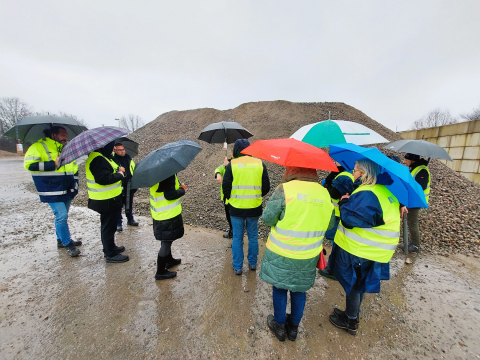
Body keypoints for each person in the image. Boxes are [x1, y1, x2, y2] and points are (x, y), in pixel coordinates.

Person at [259, 167, 335, 342]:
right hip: (308, 255)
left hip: (281, 251)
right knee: (299, 290)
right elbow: (330, 224)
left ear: (291, 171)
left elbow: (268, 219)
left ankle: (279, 327)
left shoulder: (284, 190)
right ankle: (293, 329)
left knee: (279, 288)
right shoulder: (324, 193)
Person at [329, 158, 400, 335]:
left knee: (354, 284)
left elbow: (350, 220)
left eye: (355, 170)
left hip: (361, 250)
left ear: (364, 173)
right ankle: (352, 312)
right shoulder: (384, 191)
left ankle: (350, 320)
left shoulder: (367, 193)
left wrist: (345, 202)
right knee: (360, 284)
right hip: (378, 250)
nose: (352, 173)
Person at [24, 126, 81, 257]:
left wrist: (76, 184)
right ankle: (68, 244)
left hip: (66, 189)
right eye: (62, 134)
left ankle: (60, 240)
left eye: (66, 134)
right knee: (61, 216)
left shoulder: (65, 149)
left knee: (62, 216)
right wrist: (52, 164)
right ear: (53, 134)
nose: (65, 137)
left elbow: (74, 168)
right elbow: (29, 165)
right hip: (51, 189)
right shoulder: (39, 147)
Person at [222, 139, 270, 275]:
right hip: (254, 208)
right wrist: (255, 196)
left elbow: (226, 187)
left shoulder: (232, 165)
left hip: (236, 208)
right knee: (253, 236)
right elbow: (266, 187)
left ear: (236, 150)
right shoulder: (260, 164)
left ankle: (237, 267)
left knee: (237, 237)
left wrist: (232, 199)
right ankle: (253, 263)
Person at [86, 140, 129, 263]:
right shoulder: (97, 159)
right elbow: (103, 179)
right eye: (111, 146)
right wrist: (120, 175)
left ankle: (111, 247)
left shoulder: (102, 157)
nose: (113, 149)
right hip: (105, 200)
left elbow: (108, 172)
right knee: (108, 227)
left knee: (110, 225)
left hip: (110, 199)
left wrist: (118, 170)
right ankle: (110, 253)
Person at [318, 163, 354, 280]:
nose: (334, 162)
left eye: (336, 161)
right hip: (340, 213)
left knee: (336, 241)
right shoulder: (345, 173)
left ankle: (335, 269)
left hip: (338, 214)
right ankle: (337, 267)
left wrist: (326, 185)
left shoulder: (344, 176)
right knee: (337, 240)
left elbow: (334, 194)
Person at [150, 174, 186, 280]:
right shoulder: (168, 174)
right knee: (166, 242)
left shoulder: (155, 174)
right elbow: (169, 195)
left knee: (166, 238)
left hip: (159, 213)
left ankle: (169, 260)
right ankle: (160, 272)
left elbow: (163, 189)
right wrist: (182, 190)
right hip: (168, 214)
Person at [403, 153, 430, 253]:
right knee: (408, 221)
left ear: (412, 160)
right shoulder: (414, 168)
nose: (405, 162)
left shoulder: (422, 170)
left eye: (406, 160)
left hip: (416, 200)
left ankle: (415, 245)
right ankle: (408, 242)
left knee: (412, 222)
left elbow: (420, 186)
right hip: (411, 199)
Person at [112, 143, 139, 232]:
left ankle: (130, 219)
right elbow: (111, 172)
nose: (123, 151)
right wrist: (118, 170)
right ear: (115, 150)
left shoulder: (129, 159)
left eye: (123, 149)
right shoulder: (113, 160)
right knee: (118, 205)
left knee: (129, 203)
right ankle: (118, 222)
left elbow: (133, 170)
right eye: (120, 150)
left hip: (129, 185)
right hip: (118, 186)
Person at [214, 157, 232, 238]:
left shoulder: (238, 164)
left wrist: (228, 167)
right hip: (226, 196)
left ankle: (236, 237)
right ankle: (232, 231)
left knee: (235, 218)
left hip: (234, 196)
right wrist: (218, 173)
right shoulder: (228, 161)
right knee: (228, 216)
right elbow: (219, 168)